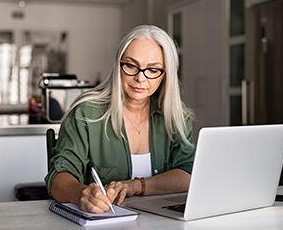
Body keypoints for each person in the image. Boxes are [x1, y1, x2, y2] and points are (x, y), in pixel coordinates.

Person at [44, 25, 196, 214]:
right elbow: (58, 177)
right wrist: (80, 193)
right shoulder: (85, 112)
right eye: (131, 66)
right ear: (118, 65)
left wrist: (135, 186)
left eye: (153, 70)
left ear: (165, 75)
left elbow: (188, 175)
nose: (140, 78)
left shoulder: (176, 116)